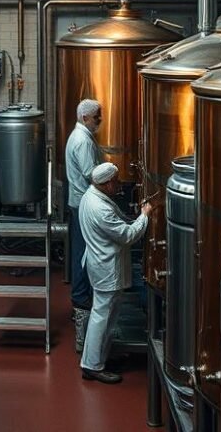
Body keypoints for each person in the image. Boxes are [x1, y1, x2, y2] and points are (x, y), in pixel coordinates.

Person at [79, 162, 152, 384]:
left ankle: (100, 357)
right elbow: (128, 235)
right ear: (107, 183)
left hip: (102, 264)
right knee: (102, 316)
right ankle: (92, 365)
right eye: (116, 181)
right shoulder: (99, 208)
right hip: (106, 267)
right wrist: (145, 216)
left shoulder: (91, 196)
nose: (118, 185)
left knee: (107, 314)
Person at [65, 98, 103, 352]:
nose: (100, 120)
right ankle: (82, 314)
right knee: (83, 257)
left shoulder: (80, 136)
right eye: (97, 116)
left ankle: (82, 306)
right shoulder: (82, 140)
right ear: (84, 118)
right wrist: (112, 176)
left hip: (79, 203)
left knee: (81, 255)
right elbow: (93, 174)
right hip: (83, 206)